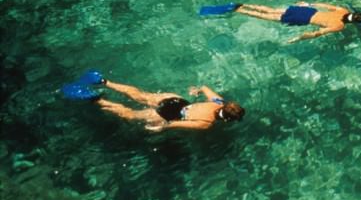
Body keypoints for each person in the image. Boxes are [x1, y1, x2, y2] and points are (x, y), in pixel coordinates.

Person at [63, 70, 245, 132]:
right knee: (130, 114)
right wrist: (161, 127)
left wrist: (196, 91)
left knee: (140, 95)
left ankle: (102, 81)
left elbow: (204, 87)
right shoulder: (207, 123)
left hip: (176, 100)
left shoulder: (219, 101)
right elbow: (176, 124)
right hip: (171, 113)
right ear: (228, 119)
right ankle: (96, 99)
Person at [235, 1, 361, 43]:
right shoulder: (339, 26)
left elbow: (325, 5)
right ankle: (239, 11)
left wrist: (307, 4)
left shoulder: (343, 10)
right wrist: (299, 38)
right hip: (305, 19)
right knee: (266, 17)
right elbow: (318, 33)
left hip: (308, 11)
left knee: (272, 10)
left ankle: (244, 4)